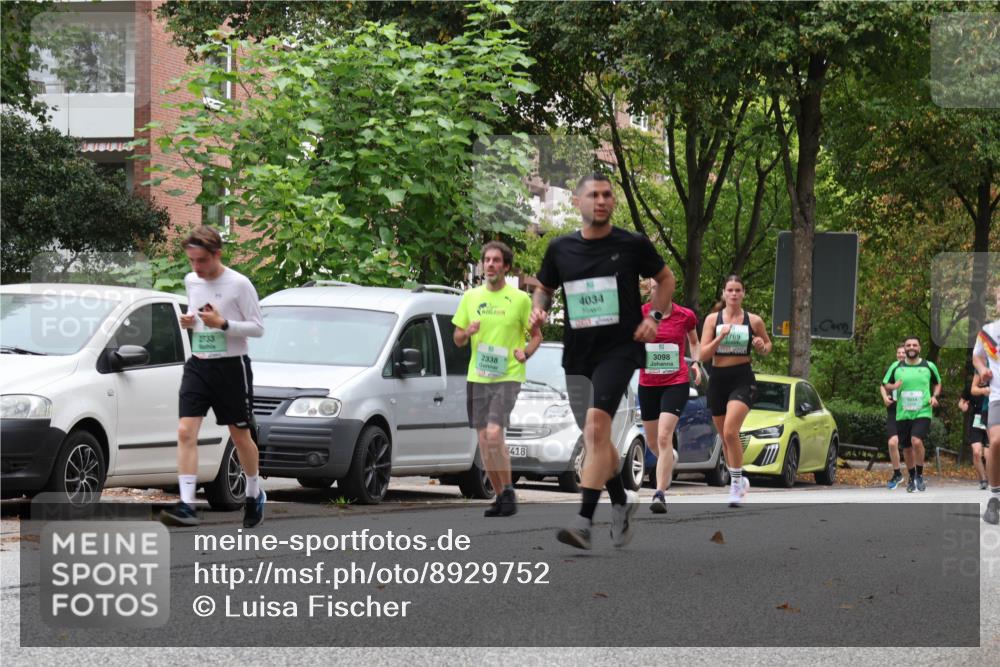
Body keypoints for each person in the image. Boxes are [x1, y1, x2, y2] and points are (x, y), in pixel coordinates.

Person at [532, 173, 676, 549]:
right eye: (593, 195)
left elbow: (666, 279)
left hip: (620, 350)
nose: (601, 200)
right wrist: (538, 309)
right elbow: (544, 288)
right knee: (593, 436)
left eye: (607, 195)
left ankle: (583, 521)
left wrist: (653, 317)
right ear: (577, 202)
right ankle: (621, 501)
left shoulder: (632, 244)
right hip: (578, 353)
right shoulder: (560, 248)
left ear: (613, 202)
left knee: (597, 427)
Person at [160, 226, 266, 528]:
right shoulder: (191, 280)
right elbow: (198, 316)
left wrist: (223, 324)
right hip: (199, 364)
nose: (196, 267)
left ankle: (253, 492)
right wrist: (190, 321)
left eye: (202, 260)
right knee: (185, 431)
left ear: (217, 254)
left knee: (240, 435)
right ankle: (187, 504)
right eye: (192, 260)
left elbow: (258, 328)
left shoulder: (239, 284)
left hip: (231, 367)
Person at [453, 241, 541, 517]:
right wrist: (467, 332)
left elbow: (536, 336)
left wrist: (525, 352)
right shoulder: (470, 297)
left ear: (506, 267)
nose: (490, 264)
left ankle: (509, 490)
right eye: (487, 260)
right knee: (483, 439)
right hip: (478, 375)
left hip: (508, 374)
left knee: (494, 432)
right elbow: (457, 339)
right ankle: (501, 495)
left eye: (496, 260)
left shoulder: (520, 299)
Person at [698, 275, 771, 507]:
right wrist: (720, 336)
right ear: (724, 293)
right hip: (718, 380)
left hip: (742, 378)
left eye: (738, 290)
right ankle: (740, 479)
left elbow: (767, 346)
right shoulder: (713, 319)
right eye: (730, 290)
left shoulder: (754, 320)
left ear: (743, 294)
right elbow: (702, 354)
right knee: (725, 438)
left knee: (731, 431)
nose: (734, 294)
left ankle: (736, 484)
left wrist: (761, 346)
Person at [637, 277, 700, 513]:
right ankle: (669, 457)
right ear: (649, 291)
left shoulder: (685, 316)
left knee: (664, 437)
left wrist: (696, 363)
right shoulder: (641, 313)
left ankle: (659, 494)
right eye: (654, 289)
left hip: (676, 382)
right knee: (653, 442)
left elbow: (694, 341)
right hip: (648, 383)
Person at [883, 336, 941, 493]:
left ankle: (920, 475)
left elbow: (937, 383)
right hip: (903, 413)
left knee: (916, 440)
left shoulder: (929, 366)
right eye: (908, 345)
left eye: (914, 345)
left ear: (919, 348)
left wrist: (934, 396)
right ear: (905, 348)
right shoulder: (896, 366)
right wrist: (893, 387)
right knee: (907, 447)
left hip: (923, 411)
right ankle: (912, 476)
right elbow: (885, 384)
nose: (911, 347)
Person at [973, 285, 1000, 524]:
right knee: (996, 442)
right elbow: (977, 356)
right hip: (997, 396)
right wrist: (982, 370)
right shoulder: (989, 332)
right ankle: (994, 497)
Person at [881, 345, 907, 489]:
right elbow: (883, 385)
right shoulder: (892, 368)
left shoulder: (913, 369)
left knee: (911, 444)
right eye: (899, 352)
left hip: (908, 410)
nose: (901, 355)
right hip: (893, 410)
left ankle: (915, 474)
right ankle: (897, 473)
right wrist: (885, 397)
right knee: (892, 443)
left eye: (903, 352)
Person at [959, 374, 990, 490]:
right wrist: (962, 406)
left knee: (988, 455)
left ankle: (992, 479)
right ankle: (983, 479)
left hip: (990, 421)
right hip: (975, 422)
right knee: (976, 452)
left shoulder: (992, 386)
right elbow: (961, 402)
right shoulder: (970, 388)